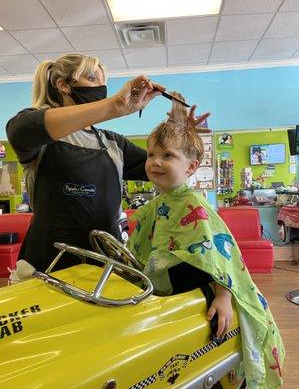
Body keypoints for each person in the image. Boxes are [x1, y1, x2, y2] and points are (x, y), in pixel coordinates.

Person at [127, 93, 285, 389]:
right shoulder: (155, 205)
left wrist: (224, 297)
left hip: (206, 297)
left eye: (167, 156)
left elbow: (219, 258)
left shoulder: (194, 206)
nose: (155, 163)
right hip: (178, 298)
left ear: (190, 167)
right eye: (150, 155)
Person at [6, 52, 209, 272]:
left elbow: (165, 169)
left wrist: (181, 141)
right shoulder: (38, 137)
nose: (101, 89)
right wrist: (116, 106)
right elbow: (21, 129)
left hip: (105, 261)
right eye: (93, 79)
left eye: (104, 83)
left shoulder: (113, 144)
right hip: (50, 261)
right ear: (63, 85)